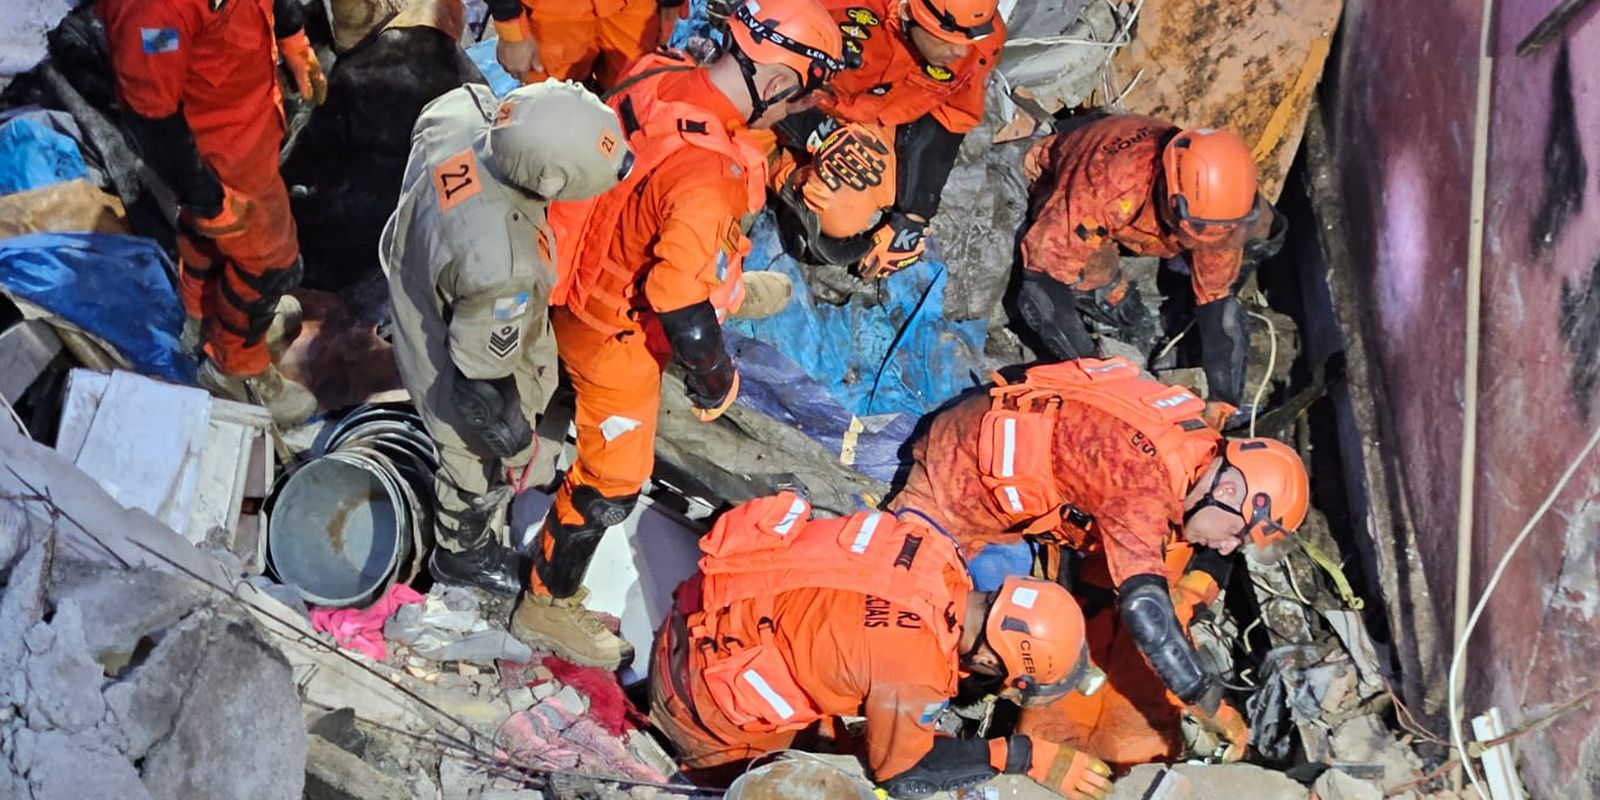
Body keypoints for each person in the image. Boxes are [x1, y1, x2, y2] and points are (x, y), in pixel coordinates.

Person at [506, 0, 848, 669]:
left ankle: (732, 288)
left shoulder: (652, 70)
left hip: (578, 251)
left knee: (694, 267)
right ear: (776, 85)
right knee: (613, 480)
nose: (787, 119)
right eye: (791, 103)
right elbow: (676, 301)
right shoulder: (709, 174)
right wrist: (714, 374)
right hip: (610, 330)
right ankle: (545, 605)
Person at [886, 356, 1311, 763]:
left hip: (1000, 433)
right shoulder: (1144, 487)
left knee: (1159, 557)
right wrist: (1204, 698)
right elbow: (1145, 609)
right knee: (949, 636)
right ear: (1231, 492)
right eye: (1236, 535)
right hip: (956, 485)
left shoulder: (1194, 442)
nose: (1223, 548)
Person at [649, 493, 1116, 800]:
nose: (998, 688)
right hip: (699, 703)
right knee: (771, 787)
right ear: (992, 658)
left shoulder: (935, 551)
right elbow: (902, 774)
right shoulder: (916, 669)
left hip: (703, 611)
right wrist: (1018, 755)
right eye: (1008, 682)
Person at [378, 81, 632, 595]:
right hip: (451, 344)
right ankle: (462, 551)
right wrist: (518, 448)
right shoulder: (504, 263)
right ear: (551, 179)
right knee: (471, 456)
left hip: (415, 260)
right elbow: (483, 386)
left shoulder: (458, 111)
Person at [100, 0, 328, 425]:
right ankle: (236, 366)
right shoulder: (152, 12)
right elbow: (151, 117)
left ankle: (203, 318)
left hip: (250, 113)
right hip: (218, 151)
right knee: (270, 259)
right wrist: (206, 195)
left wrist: (291, 35)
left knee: (218, 243)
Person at [1014, 114, 1286, 419]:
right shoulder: (1108, 188)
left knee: (1257, 235)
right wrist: (1095, 375)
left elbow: (1218, 303)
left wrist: (1223, 398)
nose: (1211, 241)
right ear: (1173, 201)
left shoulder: (1216, 198)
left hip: (1156, 203)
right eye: (1198, 230)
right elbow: (1040, 285)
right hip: (1071, 169)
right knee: (1089, 270)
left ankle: (1179, 309)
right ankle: (1120, 309)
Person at [770, 0, 1005, 278]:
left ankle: (799, 179)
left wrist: (915, 217)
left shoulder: (979, 40)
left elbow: (948, 118)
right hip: (783, 98)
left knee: (841, 215)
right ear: (907, 12)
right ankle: (780, 169)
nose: (961, 51)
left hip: (869, 118)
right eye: (948, 40)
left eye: (971, 38)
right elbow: (753, 55)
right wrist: (821, 134)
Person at [486, 0, 684, 89]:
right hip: (551, 11)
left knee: (635, 90)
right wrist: (510, 27)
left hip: (633, 8)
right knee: (551, 106)